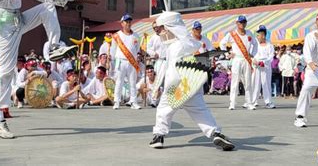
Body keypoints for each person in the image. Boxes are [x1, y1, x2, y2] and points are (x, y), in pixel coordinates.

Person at [149, 11, 234, 151]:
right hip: (193, 86)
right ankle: (215, 133)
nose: (160, 32)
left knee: (164, 110)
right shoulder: (189, 43)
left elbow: (174, 70)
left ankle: (159, 136)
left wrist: (164, 87)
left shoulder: (176, 46)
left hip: (176, 86)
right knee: (201, 111)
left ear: (170, 27)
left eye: (162, 28)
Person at [219, 15, 258, 110]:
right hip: (237, 59)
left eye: (244, 22)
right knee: (235, 81)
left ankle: (249, 102)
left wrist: (252, 54)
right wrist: (227, 53)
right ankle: (232, 103)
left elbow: (255, 44)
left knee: (248, 81)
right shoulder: (232, 34)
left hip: (246, 59)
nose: (242, 24)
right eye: (240, 22)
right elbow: (222, 43)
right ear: (237, 23)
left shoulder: (249, 33)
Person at [111, 14, 141, 110]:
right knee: (119, 82)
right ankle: (117, 101)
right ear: (122, 23)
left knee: (132, 82)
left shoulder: (136, 35)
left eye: (129, 21)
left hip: (131, 62)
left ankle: (133, 102)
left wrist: (136, 57)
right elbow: (113, 50)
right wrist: (112, 62)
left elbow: (137, 49)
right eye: (126, 21)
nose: (128, 23)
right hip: (120, 61)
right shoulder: (116, 35)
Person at [251, 25, 275, 109]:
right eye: (257, 35)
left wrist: (264, 62)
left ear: (263, 35)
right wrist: (254, 60)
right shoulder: (255, 45)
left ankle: (268, 102)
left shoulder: (269, 45)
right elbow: (251, 55)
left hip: (265, 67)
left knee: (266, 84)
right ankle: (253, 101)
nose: (257, 37)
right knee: (255, 84)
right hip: (256, 66)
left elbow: (271, 57)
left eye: (259, 35)